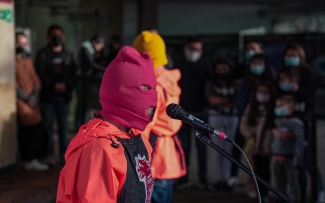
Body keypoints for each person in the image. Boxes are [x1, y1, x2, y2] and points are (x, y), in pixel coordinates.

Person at [56, 46, 157, 203]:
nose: (153, 96)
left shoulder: (139, 139)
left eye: (153, 88)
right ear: (121, 93)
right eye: (145, 88)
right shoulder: (98, 150)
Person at [133, 31, 186, 203]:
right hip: (167, 155)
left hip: (153, 156)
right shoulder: (168, 80)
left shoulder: (151, 85)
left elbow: (145, 126)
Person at [35, 25, 77, 164]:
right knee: (48, 127)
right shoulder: (42, 54)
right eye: (54, 35)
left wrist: (66, 86)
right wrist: (53, 86)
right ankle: (49, 154)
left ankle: (64, 156)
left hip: (64, 97)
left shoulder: (69, 55)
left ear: (63, 37)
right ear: (49, 37)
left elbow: (74, 74)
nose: (57, 38)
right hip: (48, 97)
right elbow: (39, 73)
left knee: (63, 127)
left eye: (59, 35)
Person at [174, 37, 210, 189]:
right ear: (185, 48)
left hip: (201, 112)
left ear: (201, 52)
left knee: (202, 146)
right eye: (191, 48)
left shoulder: (206, 67)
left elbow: (209, 88)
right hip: (182, 112)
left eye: (197, 49)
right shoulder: (178, 67)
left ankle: (202, 177)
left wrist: (208, 105)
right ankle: (183, 176)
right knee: (184, 146)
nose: (193, 52)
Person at [15, 32, 48, 171]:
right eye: (20, 43)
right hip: (22, 102)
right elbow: (12, 83)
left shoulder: (28, 60)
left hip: (33, 101)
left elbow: (35, 79)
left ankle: (34, 158)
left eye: (25, 43)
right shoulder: (11, 62)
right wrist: (27, 99)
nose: (23, 46)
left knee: (38, 129)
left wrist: (34, 96)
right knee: (27, 130)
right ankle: (28, 160)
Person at [205, 59, 238, 191]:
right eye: (219, 69)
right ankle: (216, 179)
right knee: (216, 148)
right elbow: (213, 100)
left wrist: (223, 101)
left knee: (228, 148)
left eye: (224, 69)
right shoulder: (211, 84)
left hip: (231, 116)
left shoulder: (234, 84)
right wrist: (227, 101)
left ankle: (225, 179)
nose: (222, 72)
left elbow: (236, 101)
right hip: (216, 116)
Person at [240, 82, 275, 200]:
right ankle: (252, 189)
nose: (263, 95)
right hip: (253, 145)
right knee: (253, 169)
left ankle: (266, 192)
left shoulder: (273, 108)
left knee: (266, 169)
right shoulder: (251, 107)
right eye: (260, 92)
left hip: (267, 145)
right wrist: (249, 134)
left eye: (266, 92)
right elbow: (243, 124)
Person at [271, 95, 304, 203]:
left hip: (291, 159)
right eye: (278, 106)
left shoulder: (296, 123)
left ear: (291, 107)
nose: (279, 108)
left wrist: (298, 161)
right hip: (277, 157)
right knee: (277, 184)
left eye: (282, 106)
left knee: (292, 185)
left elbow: (300, 143)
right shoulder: (276, 122)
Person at [76, 34, 107, 127]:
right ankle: (79, 125)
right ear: (95, 42)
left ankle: (81, 124)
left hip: (85, 81)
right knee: (82, 105)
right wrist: (104, 69)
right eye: (100, 44)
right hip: (82, 81)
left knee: (84, 105)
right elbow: (91, 64)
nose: (101, 47)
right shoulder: (86, 49)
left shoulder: (89, 50)